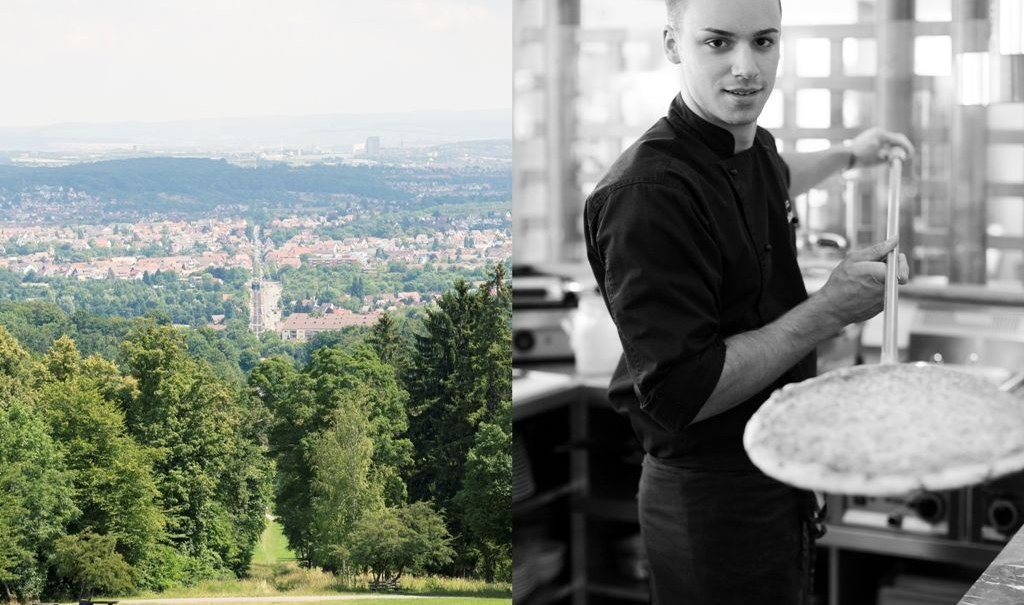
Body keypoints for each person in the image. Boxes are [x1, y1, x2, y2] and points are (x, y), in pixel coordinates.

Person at [582, 0, 915, 603]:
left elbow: (777, 173)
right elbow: (685, 390)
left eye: (763, 41)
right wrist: (831, 309)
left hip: (775, 478)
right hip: (711, 503)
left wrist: (851, 154)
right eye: (718, 42)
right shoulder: (646, 195)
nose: (746, 68)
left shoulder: (747, 145)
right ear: (673, 44)